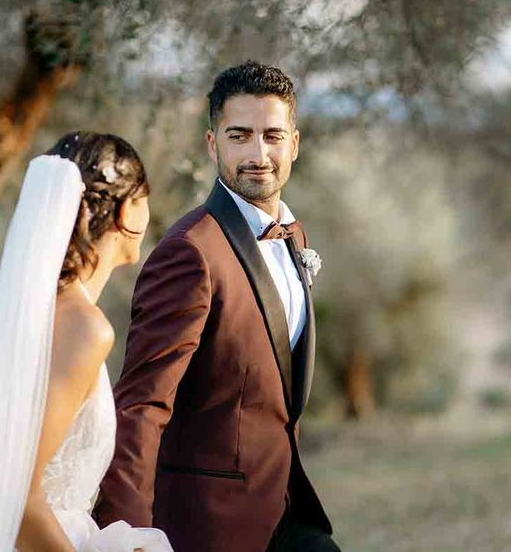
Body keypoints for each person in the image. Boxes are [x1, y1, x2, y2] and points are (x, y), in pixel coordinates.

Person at [94, 62, 340, 551]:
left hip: (286, 509)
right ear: (213, 144)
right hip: (210, 525)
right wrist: (124, 536)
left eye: (272, 136)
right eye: (239, 135)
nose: (258, 154)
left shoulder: (295, 237)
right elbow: (142, 404)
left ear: (294, 143)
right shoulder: (190, 251)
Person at [0, 132, 172, 552]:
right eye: (144, 197)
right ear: (126, 212)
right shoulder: (85, 329)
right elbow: (19, 497)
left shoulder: (8, 309)